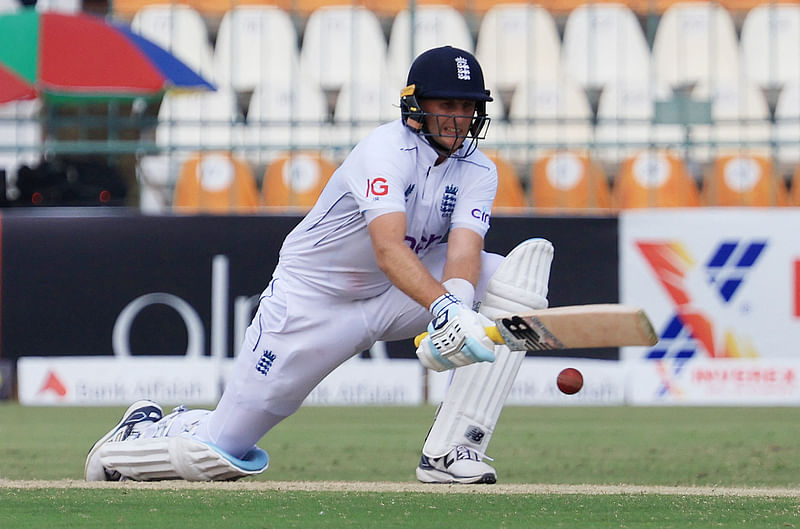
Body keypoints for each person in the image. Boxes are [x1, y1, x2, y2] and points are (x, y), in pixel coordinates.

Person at [84, 46, 553, 484]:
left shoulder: (478, 168)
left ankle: (454, 450)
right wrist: (446, 309)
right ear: (416, 106)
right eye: (446, 105)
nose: (459, 118)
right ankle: (135, 435)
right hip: (313, 299)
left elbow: (464, 252)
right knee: (220, 451)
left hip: (392, 298)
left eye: (468, 107)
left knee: (507, 279)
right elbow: (390, 250)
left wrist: (462, 314)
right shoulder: (384, 152)